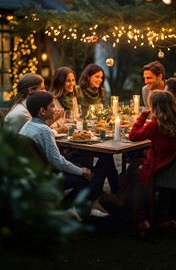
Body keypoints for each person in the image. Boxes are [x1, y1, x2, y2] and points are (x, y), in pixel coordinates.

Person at [19, 90, 112, 219]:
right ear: (42, 111)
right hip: (47, 177)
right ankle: (65, 209)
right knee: (90, 175)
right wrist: (81, 171)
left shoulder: (27, 126)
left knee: (82, 167)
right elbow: (58, 162)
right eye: (52, 106)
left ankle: (81, 207)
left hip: (33, 174)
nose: (55, 108)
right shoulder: (45, 131)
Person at [102, 90, 176, 234]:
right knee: (135, 163)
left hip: (158, 166)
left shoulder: (155, 125)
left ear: (156, 108)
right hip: (169, 164)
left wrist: (143, 115)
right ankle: (124, 198)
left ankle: (141, 219)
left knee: (136, 174)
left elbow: (133, 136)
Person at [77, 63, 119, 194]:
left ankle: (99, 192)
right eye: (97, 76)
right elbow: (75, 115)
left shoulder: (101, 92)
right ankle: (109, 192)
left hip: (97, 133)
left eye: (101, 78)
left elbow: (102, 115)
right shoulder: (78, 91)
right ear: (88, 76)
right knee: (106, 157)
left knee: (107, 156)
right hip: (82, 135)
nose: (100, 80)